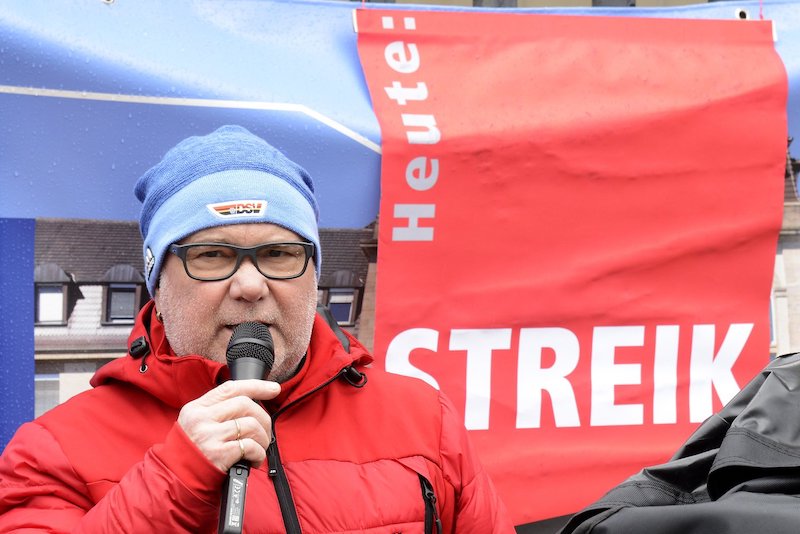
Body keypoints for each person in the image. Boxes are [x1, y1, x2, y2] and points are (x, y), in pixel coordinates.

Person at [0, 125, 514, 533]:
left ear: (313, 273)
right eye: (212, 255)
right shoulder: (55, 449)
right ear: (157, 282)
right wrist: (173, 478)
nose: (250, 284)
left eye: (278, 254)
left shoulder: (424, 420)